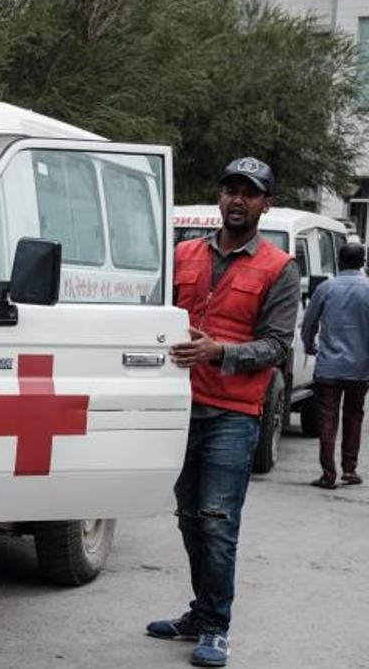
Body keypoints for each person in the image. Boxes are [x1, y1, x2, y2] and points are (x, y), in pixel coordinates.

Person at [147, 156, 300, 667]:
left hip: (232, 413)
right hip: (177, 407)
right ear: (220, 197)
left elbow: (278, 346)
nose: (238, 199)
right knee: (189, 520)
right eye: (231, 190)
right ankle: (200, 611)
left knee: (216, 521)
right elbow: (153, 317)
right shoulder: (184, 253)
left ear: (265, 204)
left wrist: (220, 352)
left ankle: (215, 627)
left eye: (249, 193)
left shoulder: (279, 268)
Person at [300, 242, 369, 489]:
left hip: (328, 367)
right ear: (363, 262)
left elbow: (309, 322)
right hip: (360, 369)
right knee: (354, 417)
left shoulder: (326, 288)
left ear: (339, 261)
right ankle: (349, 470)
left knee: (327, 420)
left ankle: (328, 475)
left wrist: (309, 344)